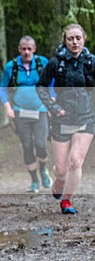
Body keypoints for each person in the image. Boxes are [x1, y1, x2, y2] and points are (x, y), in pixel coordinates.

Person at [37, 23, 95, 215]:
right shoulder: (56, 63)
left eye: (78, 38)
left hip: (85, 117)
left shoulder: (91, 62)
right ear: (65, 41)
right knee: (61, 170)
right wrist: (53, 108)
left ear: (84, 39)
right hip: (62, 118)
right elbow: (41, 86)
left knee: (76, 161)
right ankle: (60, 181)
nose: (74, 42)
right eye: (70, 38)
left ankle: (67, 200)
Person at [0, 36, 51, 193]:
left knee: (41, 144)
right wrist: (8, 107)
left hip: (41, 110)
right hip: (20, 112)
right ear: (19, 49)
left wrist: (52, 102)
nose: (26, 52)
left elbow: (52, 83)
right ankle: (34, 180)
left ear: (34, 49)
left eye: (29, 49)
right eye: (24, 49)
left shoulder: (43, 63)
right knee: (27, 146)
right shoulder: (11, 67)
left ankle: (43, 169)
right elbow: (2, 89)